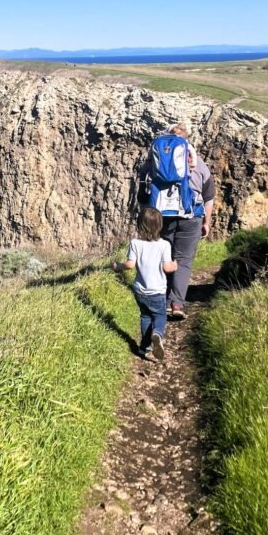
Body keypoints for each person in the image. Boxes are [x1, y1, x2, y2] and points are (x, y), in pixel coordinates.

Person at [154, 123, 215, 320]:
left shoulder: (157, 159)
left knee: (165, 257)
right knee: (184, 260)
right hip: (192, 216)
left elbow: (143, 187)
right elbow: (209, 197)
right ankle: (177, 303)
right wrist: (207, 221)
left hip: (163, 216)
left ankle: (162, 302)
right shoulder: (198, 162)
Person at [112, 207, 178, 360]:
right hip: (157, 291)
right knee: (160, 315)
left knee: (146, 316)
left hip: (140, 290)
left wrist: (117, 267)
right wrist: (175, 265)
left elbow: (129, 265)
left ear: (140, 225)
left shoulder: (135, 243)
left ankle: (145, 348)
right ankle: (158, 334)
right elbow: (167, 268)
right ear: (160, 225)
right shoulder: (164, 245)